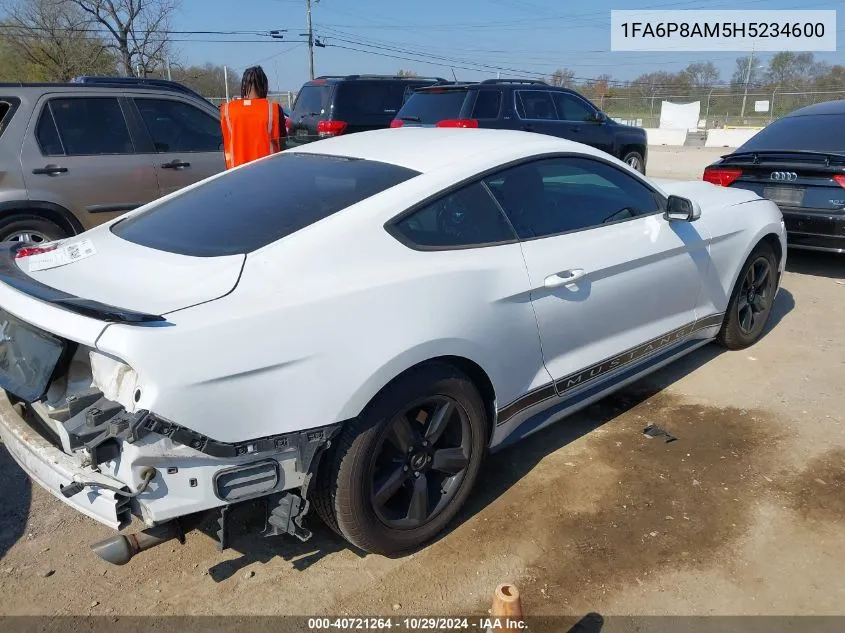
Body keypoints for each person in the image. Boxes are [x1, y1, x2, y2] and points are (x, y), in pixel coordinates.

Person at [220, 66, 285, 169]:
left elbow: (225, 143)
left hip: (236, 175)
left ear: (243, 86)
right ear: (264, 86)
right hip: (268, 173)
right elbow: (283, 144)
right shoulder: (274, 109)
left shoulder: (227, 110)